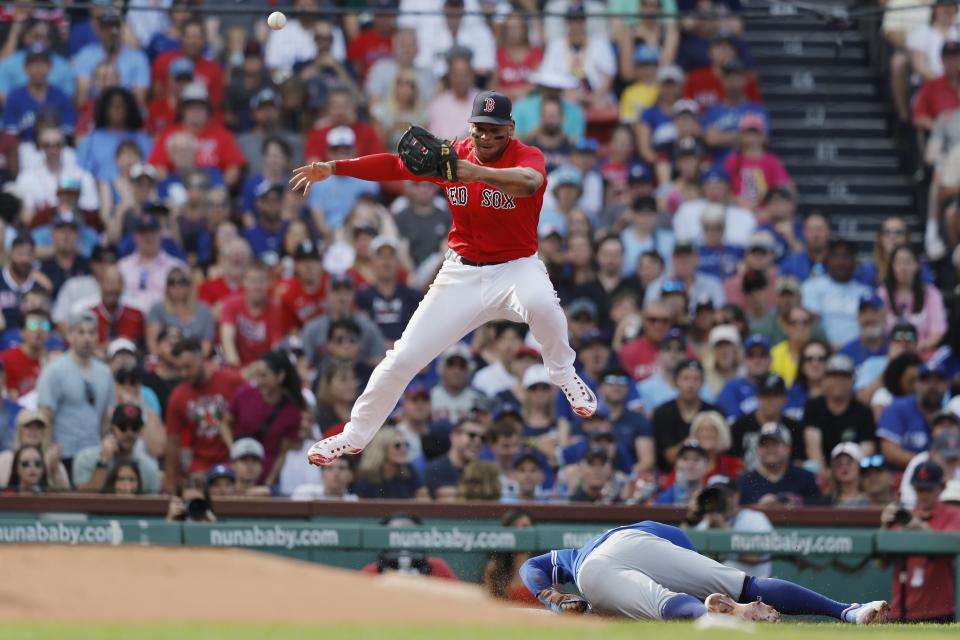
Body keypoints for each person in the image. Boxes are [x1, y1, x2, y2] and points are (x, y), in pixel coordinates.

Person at [292, 90, 598, 465]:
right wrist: (336, 168)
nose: (486, 136)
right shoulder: (452, 155)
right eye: (479, 128)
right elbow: (394, 165)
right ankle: (354, 435)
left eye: (495, 130)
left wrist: (473, 172)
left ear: (511, 129)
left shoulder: (525, 155)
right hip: (461, 273)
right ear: (470, 127)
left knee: (540, 303)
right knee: (402, 358)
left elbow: (529, 182)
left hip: (516, 266)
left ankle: (562, 371)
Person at [520, 519, 888, 622]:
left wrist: (549, 596)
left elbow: (531, 567)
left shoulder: (572, 554)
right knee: (747, 583)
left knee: (667, 605)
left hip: (591, 570)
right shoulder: (672, 534)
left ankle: (716, 612)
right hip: (638, 540)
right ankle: (847, 611)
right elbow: (685, 561)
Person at [881, 461, 960, 622]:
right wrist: (884, 528)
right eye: (919, 488)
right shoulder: (904, 517)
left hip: (939, 609)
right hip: (902, 609)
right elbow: (882, 564)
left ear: (941, 488)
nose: (923, 494)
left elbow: (950, 544)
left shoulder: (953, 514)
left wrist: (920, 529)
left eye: (929, 489)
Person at [36, 310, 114, 472]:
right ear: (70, 336)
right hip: (64, 453)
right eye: (81, 332)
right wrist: (48, 450)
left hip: (94, 452)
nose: (87, 338)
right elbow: (45, 414)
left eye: (92, 333)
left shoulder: (105, 372)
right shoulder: (54, 371)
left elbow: (106, 417)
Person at [163, 337, 244, 492]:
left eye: (188, 367)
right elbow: (173, 442)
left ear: (201, 357)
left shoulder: (231, 381)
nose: (183, 373)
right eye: (179, 368)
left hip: (234, 461)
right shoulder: (178, 396)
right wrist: (170, 483)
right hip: (200, 466)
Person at [224, 350, 304, 487]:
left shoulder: (292, 411)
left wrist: (269, 482)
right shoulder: (244, 394)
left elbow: (282, 453)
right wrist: (235, 450)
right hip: (235, 473)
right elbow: (224, 423)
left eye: (264, 376)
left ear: (280, 376)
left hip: (265, 474)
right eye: (257, 376)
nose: (259, 381)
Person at [801, 354, 876, 470]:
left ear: (852, 381)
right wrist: (825, 475)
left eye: (844, 377)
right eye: (833, 376)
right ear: (824, 380)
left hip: (853, 473)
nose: (839, 381)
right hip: (822, 472)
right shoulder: (813, 407)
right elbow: (813, 447)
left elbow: (867, 448)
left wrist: (846, 473)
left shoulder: (863, 411)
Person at [71, 403, 161, 494]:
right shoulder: (86, 459)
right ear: (113, 428)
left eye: (135, 427)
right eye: (123, 427)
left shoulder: (149, 468)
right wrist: (103, 462)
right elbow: (83, 499)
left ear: (141, 430)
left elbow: (151, 505)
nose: (129, 433)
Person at [877, 362, 950, 469]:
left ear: (946, 385)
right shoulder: (897, 408)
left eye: (938, 381)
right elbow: (889, 452)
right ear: (916, 384)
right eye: (926, 380)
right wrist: (928, 462)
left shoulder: (950, 414)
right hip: (900, 476)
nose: (932, 386)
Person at [651, 359, 719, 472]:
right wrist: (697, 437)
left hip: (710, 472)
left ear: (703, 383)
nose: (691, 384)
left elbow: (720, 449)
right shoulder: (662, 412)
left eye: (696, 379)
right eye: (686, 378)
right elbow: (669, 457)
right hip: (671, 475)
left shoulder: (714, 412)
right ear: (675, 381)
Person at [739, 422, 822, 506]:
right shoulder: (746, 481)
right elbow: (738, 513)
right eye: (765, 445)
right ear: (758, 449)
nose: (770, 449)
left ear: (788, 448)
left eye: (775, 444)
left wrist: (796, 503)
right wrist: (760, 507)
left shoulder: (805, 478)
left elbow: (818, 508)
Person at [354, 425, 428, 499]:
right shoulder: (367, 477)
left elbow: (423, 499)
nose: (404, 449)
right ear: (382, 448)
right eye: (397, 445)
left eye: (406, 445)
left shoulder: (409, 471)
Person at [424, 417, 486, 500]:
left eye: (483, 438)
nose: (478, 441)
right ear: (454, 437)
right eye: (472, 435)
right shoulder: (435, 469)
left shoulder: (485, 471)